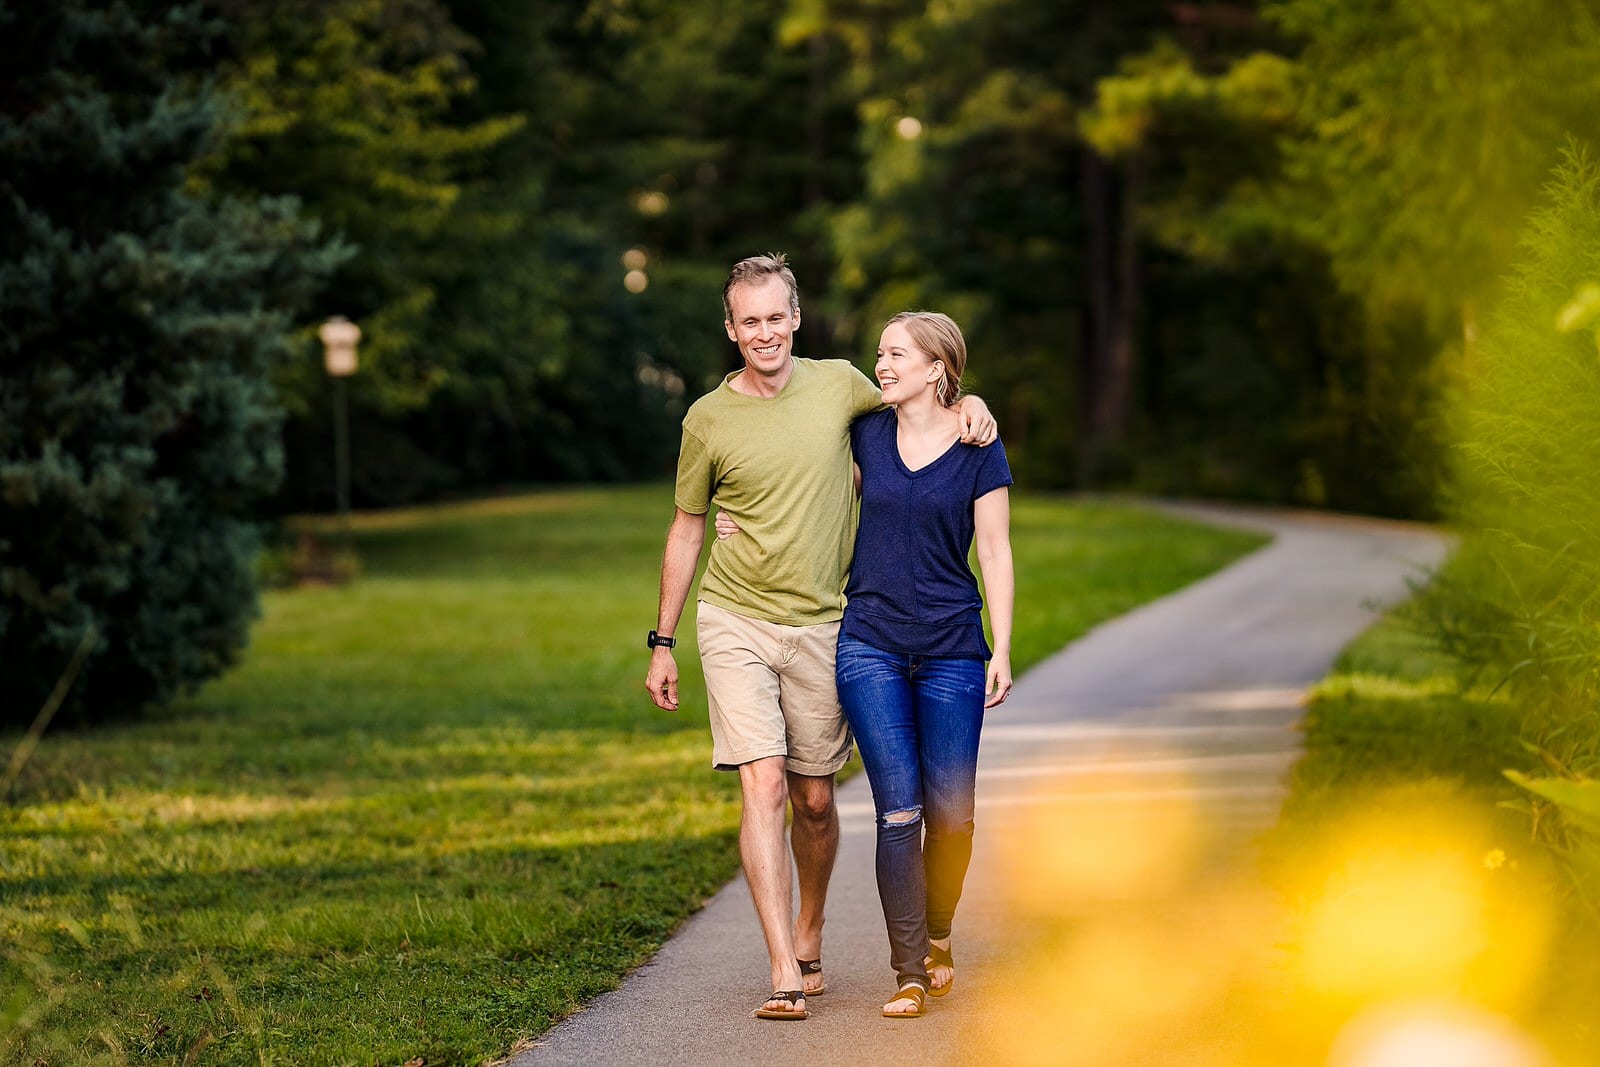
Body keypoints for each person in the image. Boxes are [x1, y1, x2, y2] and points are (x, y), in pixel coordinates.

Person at [644, 256, 996, 1022]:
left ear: (794, 318)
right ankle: (783, 969)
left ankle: (812, 927)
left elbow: (924, 402)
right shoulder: (706, 417)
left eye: (777, 317)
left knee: (812, 796)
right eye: (749, 322)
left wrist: (975, 409)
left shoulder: (843, 385)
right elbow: (687, 524)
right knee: (764, 781)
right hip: (733, 613)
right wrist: (662, 639)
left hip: (824, 622)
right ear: (730, 329)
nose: (764, 333)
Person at [726, 311, 1013, 1018]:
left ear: (936, 369)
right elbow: (797, 480)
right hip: (870, 643)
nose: (879, 365)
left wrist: (1001, 646)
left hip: (953, 647)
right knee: (899, 811)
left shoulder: (980, 445)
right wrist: (736, 514)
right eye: (879, 353)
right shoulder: (865, 435)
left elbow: (997, 552)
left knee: (951, 815)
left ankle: (939, 934)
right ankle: (909, 972)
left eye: (894, 355)